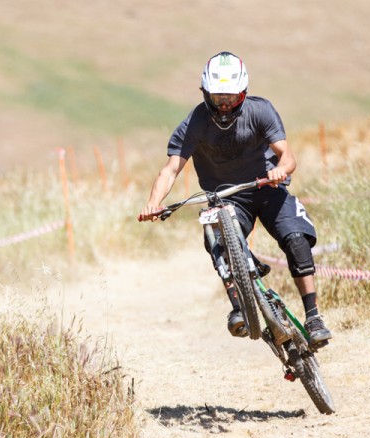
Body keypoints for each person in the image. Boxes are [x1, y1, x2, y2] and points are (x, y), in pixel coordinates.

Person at [139, 51, 332, 344]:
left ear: (243, 93)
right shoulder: (194, 123)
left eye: (230, 96)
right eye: (217, 98)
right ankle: (239, 307)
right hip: (227, 198)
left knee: (296, 238)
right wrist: (153, 203)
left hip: (266, 186)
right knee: (215, 237)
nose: (225, 104)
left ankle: (314, 315)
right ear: (205, 93)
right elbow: (170, 170)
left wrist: (281, 170)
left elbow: (287, 155)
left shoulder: (261, 111)